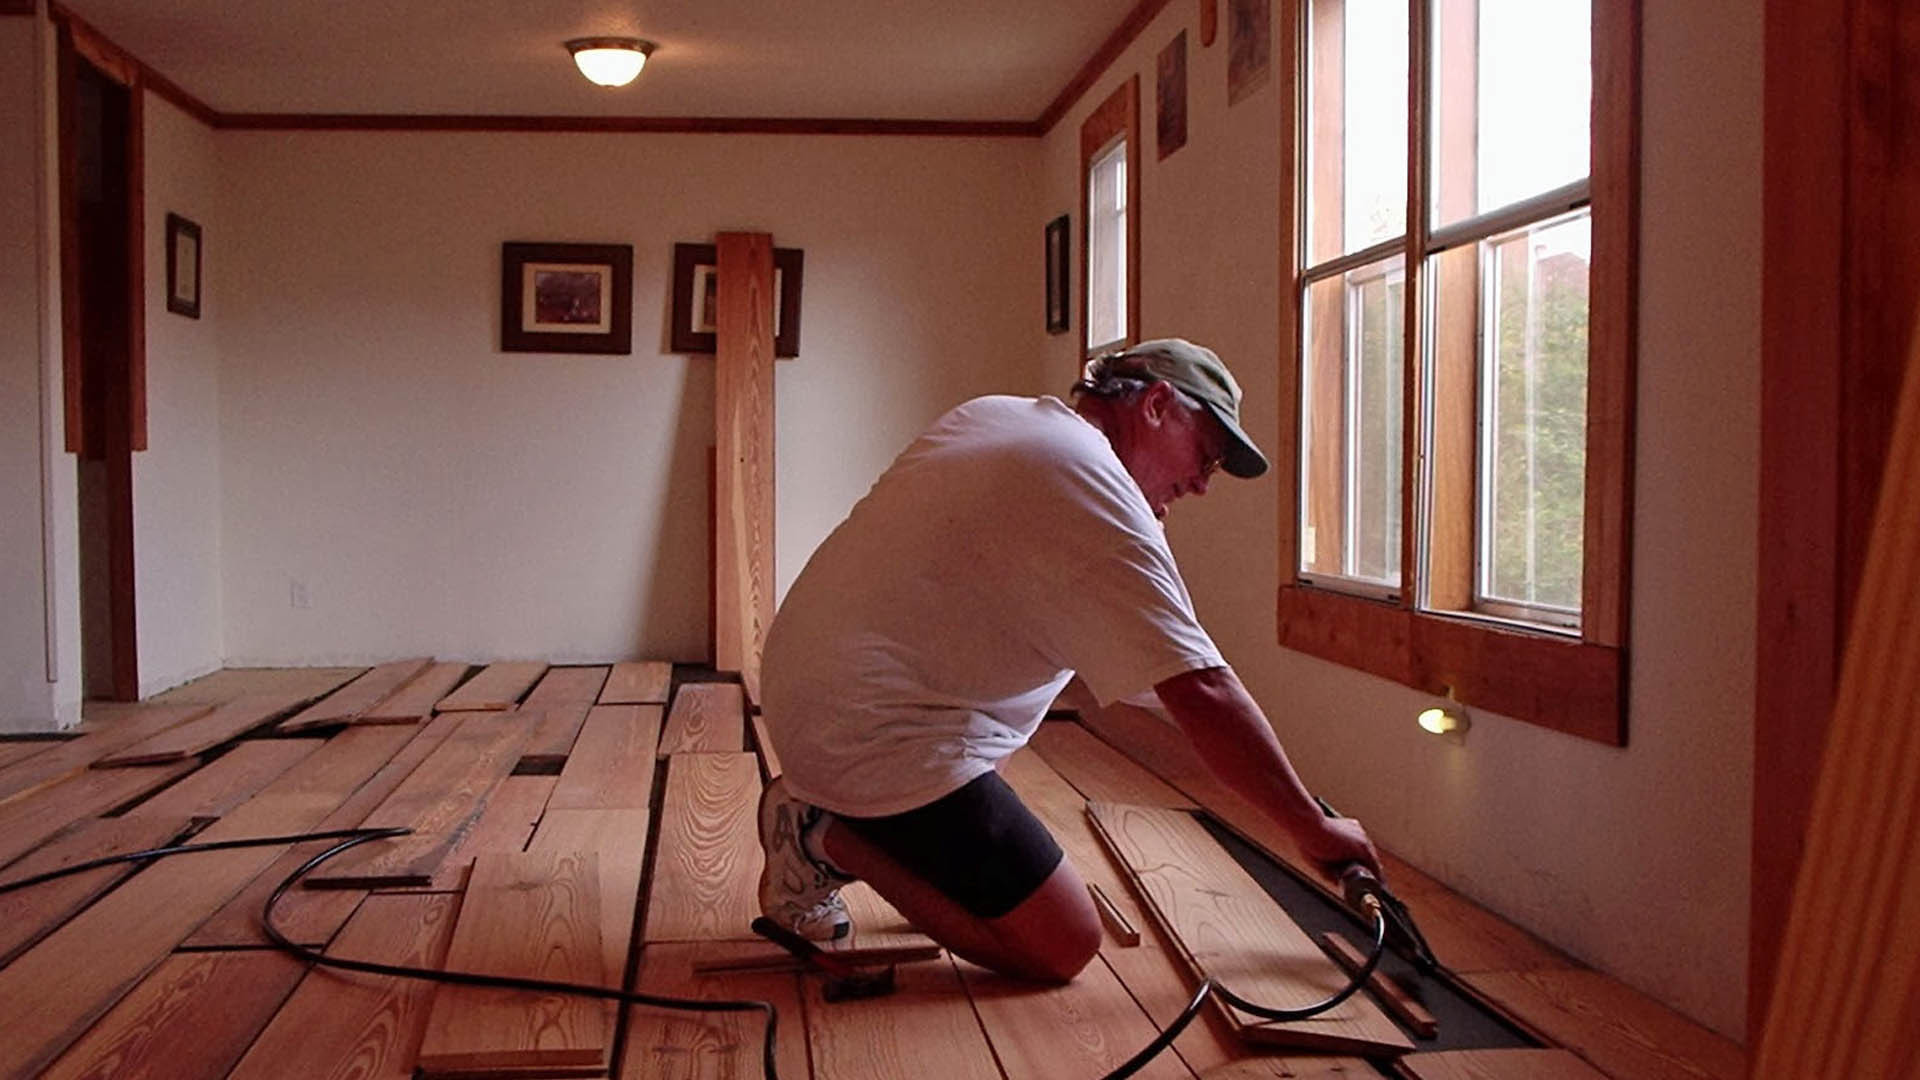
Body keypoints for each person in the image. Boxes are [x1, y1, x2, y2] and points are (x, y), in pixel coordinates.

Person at [756, 338, 1380, 983]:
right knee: (1060, 945)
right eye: (1207, 455)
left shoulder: (1005, 417)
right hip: (874, 731)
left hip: (821, 686)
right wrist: (1311, 827)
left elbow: (1149, 670)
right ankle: (822, 834)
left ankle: (871, 827)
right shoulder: (1091, 484)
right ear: (1159, 405)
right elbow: (1203, 693)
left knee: (1017, 710)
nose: (1200, 483)